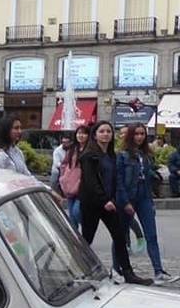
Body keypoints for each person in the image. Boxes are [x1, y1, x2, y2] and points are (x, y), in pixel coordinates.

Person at [78, 121, 149, 285]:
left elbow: (115, 179)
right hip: (93, 204)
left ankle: (128, 273)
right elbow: (91, 182)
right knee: (87, 238)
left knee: (119, 237)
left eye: (108, 131)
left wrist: (114, 200)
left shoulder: (111, 156)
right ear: (95, 135)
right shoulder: (89, 156)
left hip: (109, 203)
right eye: (102, 131)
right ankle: (76, 269)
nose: (105, 134)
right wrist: (104, 200)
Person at [116, 124, 178, 285]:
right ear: (131, 135)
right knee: (121, 236)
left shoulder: (145, 155)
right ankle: (116, 269)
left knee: (151, 235)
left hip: (144, 197)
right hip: (128, 197)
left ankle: (158, 271)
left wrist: (150, 200)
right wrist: (124, 201)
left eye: (142, 134)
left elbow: (148, 179)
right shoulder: (122, 155)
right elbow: (119, 181)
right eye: (136, 134)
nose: (139, 136)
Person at [60, 125, 91, 231]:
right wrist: (63, 177)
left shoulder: (90, 150)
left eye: (84, 133)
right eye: (79, 133)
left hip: (83, 186)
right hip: (70, 184)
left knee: (76, 212)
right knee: (72, 217)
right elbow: (64, 164)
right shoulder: (73, 149)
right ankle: (75, 241)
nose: (81, 136)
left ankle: (88, 227)